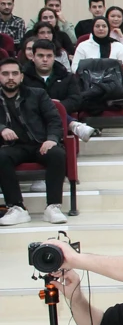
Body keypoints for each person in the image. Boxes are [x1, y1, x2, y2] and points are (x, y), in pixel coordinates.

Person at [0, 56, 68, 226]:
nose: (10, 78)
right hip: (12, 147)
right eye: (5, 74)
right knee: (1, 157)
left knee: (57, 153)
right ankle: (16, 208)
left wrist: (51, 139)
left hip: (40, 144)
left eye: (14, 73)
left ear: (21, 76)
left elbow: (54, 120)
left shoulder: (37, 94)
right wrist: (2, 129)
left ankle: (53, 207)